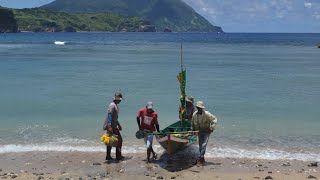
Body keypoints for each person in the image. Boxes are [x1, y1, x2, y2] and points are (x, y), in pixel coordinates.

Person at [191, 101, 217, 166]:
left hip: (206, 131)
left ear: (202, 108)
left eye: (200, 108)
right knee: (200, 145)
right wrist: (193, 130)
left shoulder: (207, 114)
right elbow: (192, 123)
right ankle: (202, 158)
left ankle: (201, 158)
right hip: (199, 131)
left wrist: (212, 128)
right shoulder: (194, 114)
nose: (199, 109)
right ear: (196, 107)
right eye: (198, 107)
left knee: (204, 144)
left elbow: (214, 119)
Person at [103, 93, 124, 161]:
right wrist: (109, 126)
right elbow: (109, 114)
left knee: (110, 141)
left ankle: (108, 156)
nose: (120, 101)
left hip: (113, 125)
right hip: (112, 126)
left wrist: (119, 124)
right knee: (119, 141)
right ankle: (118, 156)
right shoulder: (112, 105)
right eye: (120, 99)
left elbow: (114, 117)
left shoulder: (115, 105)